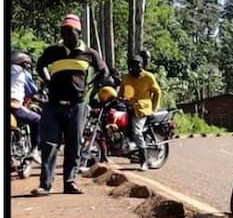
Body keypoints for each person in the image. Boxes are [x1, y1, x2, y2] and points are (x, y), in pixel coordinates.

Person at [33, 14, 109, 195]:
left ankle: (70, 182)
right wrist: (47, 79)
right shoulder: (54, 51)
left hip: (77, 105)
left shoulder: (89, 53)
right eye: (63, 32)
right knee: (49, 144)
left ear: (78, 33)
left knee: (73, 144)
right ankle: (46, 185)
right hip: (52, 105)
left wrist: (91, 86)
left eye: (69, 32)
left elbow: (103, 71)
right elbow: (40, 65)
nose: (66, 35)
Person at [121, 53, 162, 171]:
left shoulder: (148, 77)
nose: (135, 68)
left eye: (137, 65)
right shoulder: (125, 77)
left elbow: (157, 92)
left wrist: (153, 108)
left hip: (141, 109)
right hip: (127, 107)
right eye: (132, 65)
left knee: (136, 131)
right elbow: (121, 92)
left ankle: (144, 162)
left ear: (142, 65)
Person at [10, 50, 41, 159]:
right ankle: (34, 150)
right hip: (14, 106)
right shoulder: (23, 73)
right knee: (38, 120)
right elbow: (32, 91)